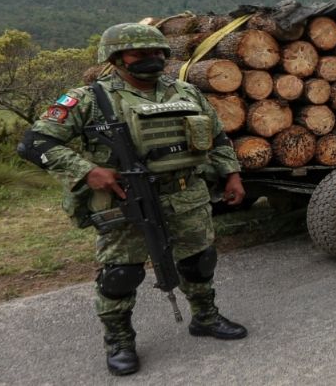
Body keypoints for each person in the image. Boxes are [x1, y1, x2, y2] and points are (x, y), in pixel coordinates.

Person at [17, 23, 248, 376]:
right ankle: (119, 340)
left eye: (157, 53)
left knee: (199, 261)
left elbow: (217, 137)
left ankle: (205, 316)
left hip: (186, 194)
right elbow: (35, 143)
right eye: (140, 54)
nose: (151, 60)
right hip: (126, 200)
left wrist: (231, 174)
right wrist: (87, 171)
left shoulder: (185, 91)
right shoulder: (90, 99)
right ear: (116, 58)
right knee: (120, 275)